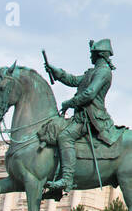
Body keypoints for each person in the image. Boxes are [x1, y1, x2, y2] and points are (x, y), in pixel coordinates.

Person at [44, 39, 122, 192]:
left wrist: (70, 103)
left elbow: (90, 93)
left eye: (92, 54)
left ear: (99, 55)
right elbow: (73, 80)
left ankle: (67, 178)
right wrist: (56, 71)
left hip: (91, 117)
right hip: (82, 115)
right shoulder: (92, 72)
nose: (90, 57)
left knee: (65, 136)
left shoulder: (104, 72)